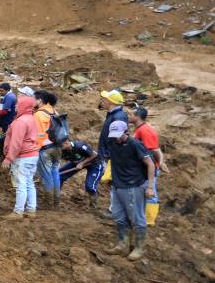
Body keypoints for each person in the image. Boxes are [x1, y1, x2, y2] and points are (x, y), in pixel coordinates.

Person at [104, 121, 155, 260]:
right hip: (118, 185)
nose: (117, 138)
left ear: (126, 132)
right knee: (119, 216)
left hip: (134, 185)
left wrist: (150, 187)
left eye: (119, 135)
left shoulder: (135, 144)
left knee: (137, 217)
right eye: (114, 135)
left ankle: (139, 248)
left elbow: (150, 164)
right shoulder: (112, 143)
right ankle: (123, 244)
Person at [1, 96, 40, 219]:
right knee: (29, 183)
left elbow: (16, 143)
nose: (16, 106)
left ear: (24, 106)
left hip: (23, 157)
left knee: (20, 184)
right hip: (33, 155)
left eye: (18, 104)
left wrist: (9, 158)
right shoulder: (32, 118)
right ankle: (31, 209)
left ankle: (18, 212)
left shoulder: (20, 122)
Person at [129, 107, 166, 226]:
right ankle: (141, 216)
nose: (128, 116)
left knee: (150, 192)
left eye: (131, 114)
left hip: (147, 168)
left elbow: (155, 150)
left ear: (137, 117)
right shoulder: (140, 129)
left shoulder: (144, 131)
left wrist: (159, 164)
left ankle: (149, 220)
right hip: (142, 167)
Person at [33, 90, 62, 207]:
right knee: (55, 172)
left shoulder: (38, 114)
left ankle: (48, 202)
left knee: (46, 175)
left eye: (34, 99)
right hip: (57, 147)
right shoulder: (54, 111)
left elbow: (39, 134)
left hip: (45, 148)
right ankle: (56, 200)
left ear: (39, 100)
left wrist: (36, 149)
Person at [58, 137, 103, 208]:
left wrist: (82, 163)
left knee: (89, 187)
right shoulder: (63, 151)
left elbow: (95, 154)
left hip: (94, 164)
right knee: (59, 175)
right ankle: (55, 197)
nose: (60, 147)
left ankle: (93, 204)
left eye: (61, 145)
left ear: (67, 143)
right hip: (77, 162)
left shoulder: (79, 146)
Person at [97, 90, 128, 177]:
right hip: (107, 155)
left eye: (105, 99)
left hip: (110, 157)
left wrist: (107, 155)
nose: (102, 101)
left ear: (111, 102)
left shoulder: (118, 117)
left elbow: (117, 139)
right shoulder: (112, 114)